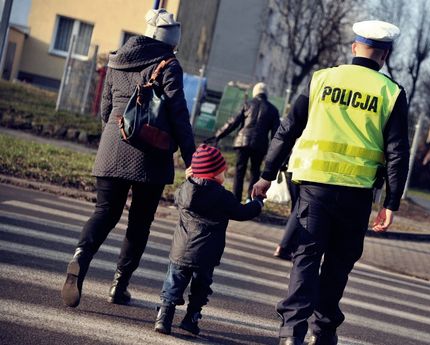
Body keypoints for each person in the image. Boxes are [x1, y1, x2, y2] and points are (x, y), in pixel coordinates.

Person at [252, 20, 409, 345]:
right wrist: (391, 204)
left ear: (354, 48)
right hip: (357, 194)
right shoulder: (391, 92)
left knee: (305, 259)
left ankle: (291, 334)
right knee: (338, 265)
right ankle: (322, 333)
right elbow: (397, 152)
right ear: (385, 55)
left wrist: (267, 175)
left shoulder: (321, 79)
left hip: (314, 189)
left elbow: (288, 128)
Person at [61, 9, 196, 308]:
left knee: (105, 212)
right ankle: (118, 286)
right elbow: (178, 116)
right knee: (139, 223)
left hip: (112, 144)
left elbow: (106, 110)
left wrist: (114, 136)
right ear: (172, 38)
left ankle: (80, 256)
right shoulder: (169, 65)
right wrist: (191, 159)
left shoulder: (118, 59)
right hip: (150, 154)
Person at [154, 144, 263, 335]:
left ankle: (163, 318)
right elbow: (242, 213)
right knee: (201, 287)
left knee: (173, 283)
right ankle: (191, 319)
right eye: (223, 172)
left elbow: (177, 197)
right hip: (206, 255)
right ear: (213, 174)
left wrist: (188, 178)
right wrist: (257, 203)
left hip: (180, 251)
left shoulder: (184, 190)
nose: (226, 175)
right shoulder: (223, 197)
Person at [210, 82, 280, 202]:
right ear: (266, 94)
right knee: (255, 171)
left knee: (239, 170)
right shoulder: (273, 110)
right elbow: (276, 134)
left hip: (242, 142)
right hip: (260, 144)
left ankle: (235, 199)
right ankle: (251, 199)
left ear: (255, 92)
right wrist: (274, 150)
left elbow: (232, 123)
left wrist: (218, 135)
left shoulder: (247, 104)